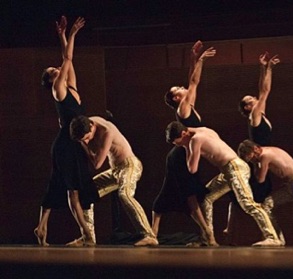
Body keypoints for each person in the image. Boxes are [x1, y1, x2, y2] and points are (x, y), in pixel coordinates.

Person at [35, 16, 98, 247]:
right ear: (52, 79)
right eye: (54, 70)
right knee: (72, 190)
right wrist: (71, 34)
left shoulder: (71, 87)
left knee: (57, 185)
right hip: (64, 145)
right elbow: (67, 58)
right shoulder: (58, 90)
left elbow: (68, 61)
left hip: (73, 142)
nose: (58, 68)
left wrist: (62, 36)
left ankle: (41, 227)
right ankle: (87, 234)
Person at [165, 121, 282, 247]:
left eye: (178, 143)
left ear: (184, 134)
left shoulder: (195, 140)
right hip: (229, 170)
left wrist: (186, 147)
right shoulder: (204, 129)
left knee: (248, 203)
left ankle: (272, 237)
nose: (179, 146)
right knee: (206, 198)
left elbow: (192, 169)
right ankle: (208, 240)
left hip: (235, 168)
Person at [152, 41, 217, 246]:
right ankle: (209, 235)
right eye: (178, 89)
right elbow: (193, 81)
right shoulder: (182, 110)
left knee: (182, 196)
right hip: (179, 156)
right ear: (176, 98)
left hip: (183, 154)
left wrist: (194, 58)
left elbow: (193, 82)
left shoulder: (189, 106)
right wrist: (199, 60)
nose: (182, 88)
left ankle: (153, 234)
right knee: (190, 196)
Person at [70, 115, 158, 246]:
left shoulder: (106, 131)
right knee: (87, 193)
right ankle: (88, 238)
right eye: (84, 140)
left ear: (92, 127)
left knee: (125, 194)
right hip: (115, 170)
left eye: (87, 138)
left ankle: (149, 235)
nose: (87, 141)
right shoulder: (86, 122)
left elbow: (97, 164)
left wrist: (84, 145)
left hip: (130, 166)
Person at [224, 51, 281, 242]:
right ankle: (271, 236)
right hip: (258, 161)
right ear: (248, 107)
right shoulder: (254, 115)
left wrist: (265, 68)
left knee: (260, 200)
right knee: (251, 198)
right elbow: (264, 92)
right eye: (251, 100)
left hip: (264, 159)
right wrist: (267, 67)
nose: (256, 100)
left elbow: (262, 90)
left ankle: (275, 237)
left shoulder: (259, 113)